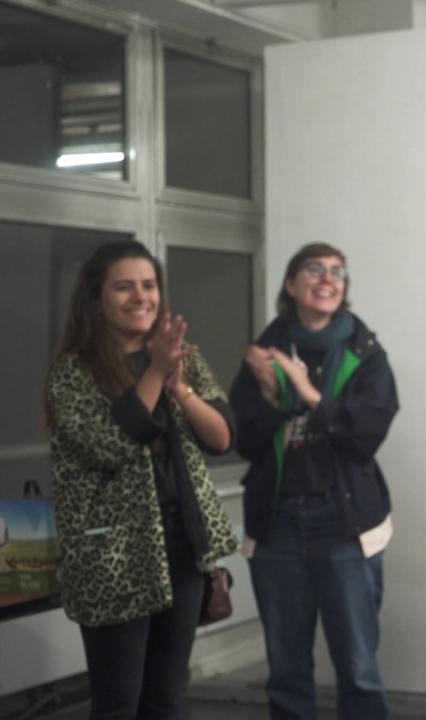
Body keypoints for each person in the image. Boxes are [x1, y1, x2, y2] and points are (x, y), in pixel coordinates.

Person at [45, 240, 238, 719]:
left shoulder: (178, 358)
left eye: (149, 285)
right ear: (97, 300)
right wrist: (155, 372)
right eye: (124, 287)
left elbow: (222, 437)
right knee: (118, 705)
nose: (141, 297)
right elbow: (110, 445)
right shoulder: (72, 373)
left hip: (182, 547)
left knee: (166, 700)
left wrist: (179, 386)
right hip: (112, 556)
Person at [230, 243, 399, 720]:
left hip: (344, 523)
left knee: (358, 669)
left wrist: (307, 393)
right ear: (290, 284)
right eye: (314, 270)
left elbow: (366, 435)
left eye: (337, 272)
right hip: (277, 524)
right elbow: (243, 440)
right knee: (286, 671)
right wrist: (272, 396)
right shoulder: (263, 352)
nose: (328, 279)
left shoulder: (364, 353)